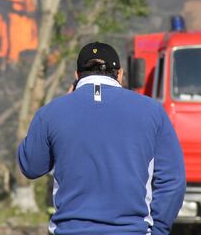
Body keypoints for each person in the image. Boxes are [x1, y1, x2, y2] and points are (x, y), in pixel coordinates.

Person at [18, 41, 186, 235]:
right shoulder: (153, 111)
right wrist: (158, 230)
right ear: (121, 74)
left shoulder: (50, 113)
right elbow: (173, 180)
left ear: (76, 76)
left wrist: (56, 108)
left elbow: (30, 166)